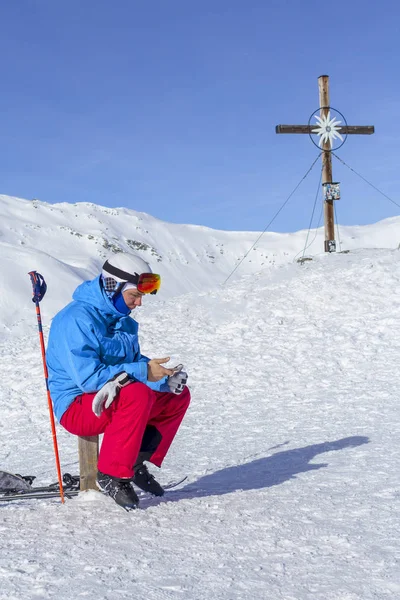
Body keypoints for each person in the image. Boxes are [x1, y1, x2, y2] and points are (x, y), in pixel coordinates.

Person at [46, 253, 190, 510]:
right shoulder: (75, 320)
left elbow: (132, 362)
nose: (139, 303)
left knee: (177, 395)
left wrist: (161, 379)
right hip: (77, 406)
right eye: (134, 295)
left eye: (141, 297)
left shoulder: (122, 320)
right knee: (137, 395)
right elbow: (89, 379)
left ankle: (133, 463)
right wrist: (144, 373)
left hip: (113, 395)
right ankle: (111, 475)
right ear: (112, 287)